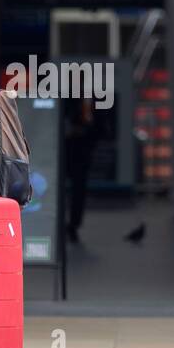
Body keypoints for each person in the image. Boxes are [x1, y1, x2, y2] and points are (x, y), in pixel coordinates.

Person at [64, 97, 99, 242]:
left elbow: (99, 124)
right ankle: (62, 223)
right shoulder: (68, 97)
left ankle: (73, 224)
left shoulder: (94, 98)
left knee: (79, 190)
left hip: (83, 150)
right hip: (67, 150)